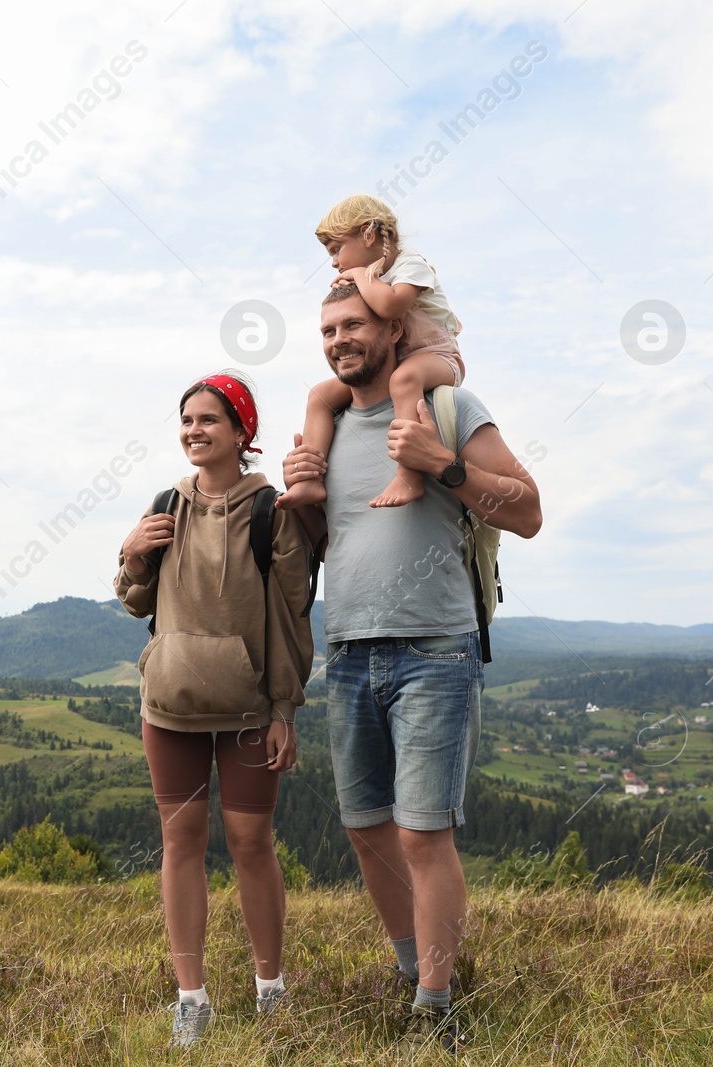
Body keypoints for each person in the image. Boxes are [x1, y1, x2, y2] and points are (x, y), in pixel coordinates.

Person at [282, 282, 542, 1051]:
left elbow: (528, 510)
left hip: (435, 647)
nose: (339, 339)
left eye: (353, 323)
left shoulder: (451, 408)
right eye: (328, 328)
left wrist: (444, 466)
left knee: (424, 834)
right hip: (350, 650)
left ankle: (436, 1006)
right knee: (366, 829)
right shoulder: (325, 430)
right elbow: (337, 538)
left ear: (393, 329)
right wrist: (301, 495)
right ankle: (416, 973)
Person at [114, 372, 317, 1050]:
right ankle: (191, 999)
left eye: (208, 420)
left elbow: (291, 619)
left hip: (250, 707)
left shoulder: (273, 513)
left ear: (241, 433)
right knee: (181, 845)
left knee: (253, 845)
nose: (193, 431)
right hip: (169, 704)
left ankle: (270, 990)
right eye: (186, 420)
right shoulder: (164, 505)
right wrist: (132, 555)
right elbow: (137, 601)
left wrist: (285, 707)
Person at [279, 194, 465, 511]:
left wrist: (360, 276)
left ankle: (408, 475)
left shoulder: (411, 264)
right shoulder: (375, 275)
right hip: (401, 360)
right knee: (320, 396)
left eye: (337, 249)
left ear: (369, 234)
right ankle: (309, 480)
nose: (335, 262)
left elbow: (391, 305)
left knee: (404, 379)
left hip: (438, 356)